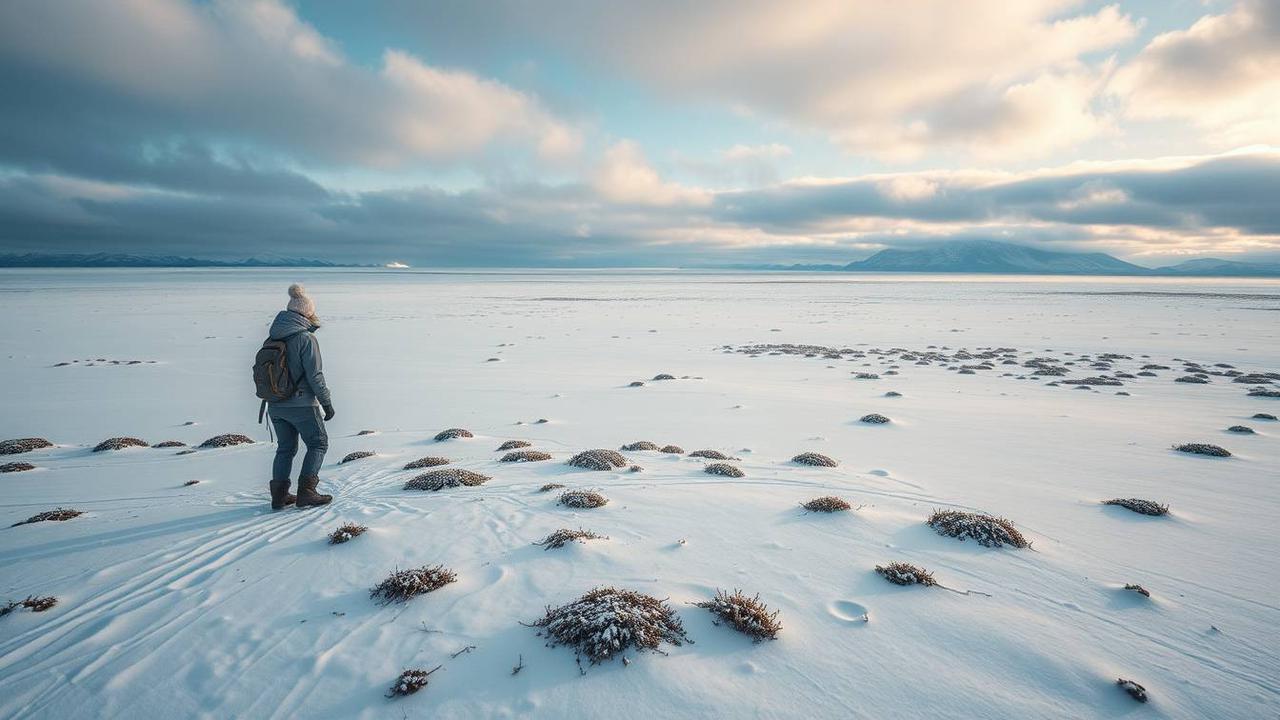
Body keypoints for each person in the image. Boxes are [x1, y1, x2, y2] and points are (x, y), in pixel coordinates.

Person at [265, 284, 335, 509]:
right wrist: (327, 403)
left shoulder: (273, 337)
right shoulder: (306, 339)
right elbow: (315, 376)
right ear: (307, 313)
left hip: (275, 404)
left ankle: (279, 496)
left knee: (285, 448)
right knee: (318, 443)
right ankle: (307, 493)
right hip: (302, 404)